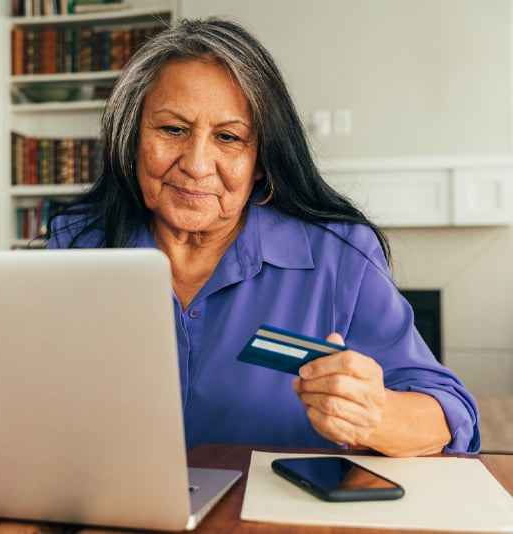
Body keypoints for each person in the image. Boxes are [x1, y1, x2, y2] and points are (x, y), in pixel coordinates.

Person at [47, 17, 480, 456]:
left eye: (228, 137)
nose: (197, 163)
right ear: (131, 138)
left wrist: (377, 414)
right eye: (172, 129)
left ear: (260, 160)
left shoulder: (339, 254)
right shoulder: (77, 243)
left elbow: (448, 415)